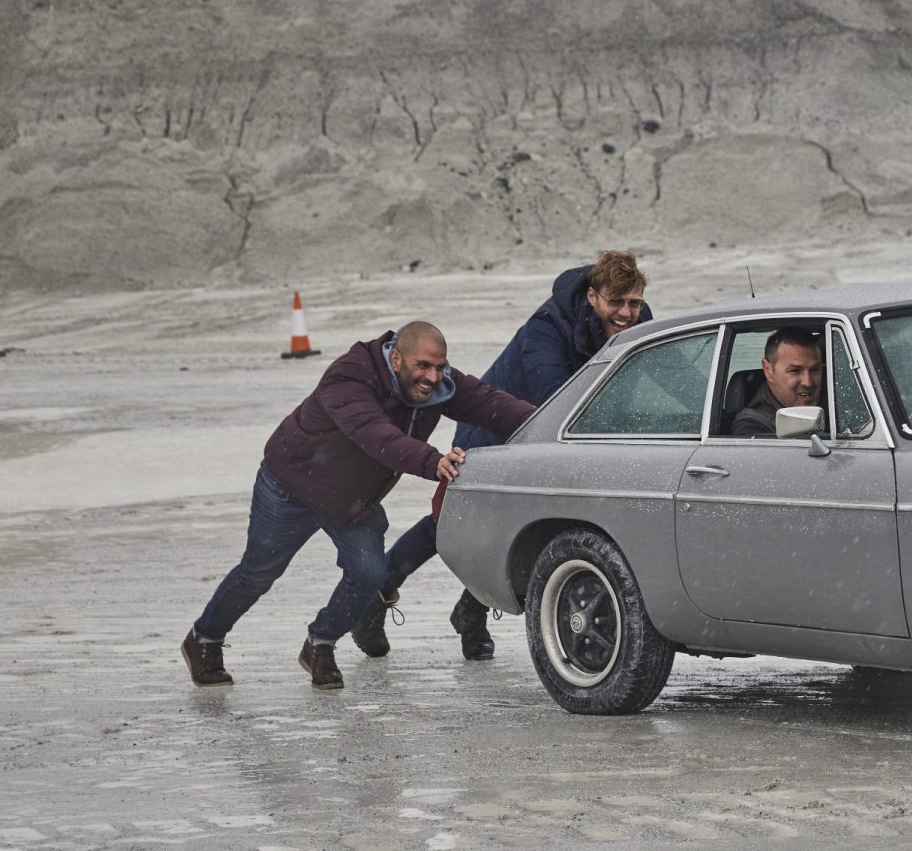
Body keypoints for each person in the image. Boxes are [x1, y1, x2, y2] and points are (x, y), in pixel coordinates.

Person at [180, 322, 535, 689]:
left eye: (440, 367)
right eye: (424, 366)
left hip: (352, 497)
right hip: (293, 486)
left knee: (368, 573)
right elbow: (376, 435)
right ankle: (204, 639)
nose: (433, 376)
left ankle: (320, 643)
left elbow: (490, 403)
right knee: (258, 572)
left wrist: (548, 425)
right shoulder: (350, 377)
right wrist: (432, 461)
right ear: (396, 358)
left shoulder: (438, 384)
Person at [357, 250, 653, 660]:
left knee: (521, 525)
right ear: (592, 296)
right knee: (447, 521)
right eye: (615, 302)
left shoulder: (639, 321)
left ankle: (471, 612)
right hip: (495, 428)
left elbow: (659, 371)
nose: (625, 313)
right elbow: (556, 397)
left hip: (558, 435)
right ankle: (374, 598)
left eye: (633, 303)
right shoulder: (546, 329)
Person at [731, 328, 824, 437]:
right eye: (795, 371)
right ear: (768, 370)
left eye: (814, 370)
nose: (807, 382)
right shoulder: (751, 426)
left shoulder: (837, 398)